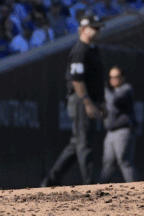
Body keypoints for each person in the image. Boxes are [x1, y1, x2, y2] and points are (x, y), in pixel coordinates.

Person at [42, 14, 105, 187]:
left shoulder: (93, 50)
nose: (98, 31)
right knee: (84, 143)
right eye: (95, 28)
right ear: (83, 30)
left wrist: (101, 102)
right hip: (80, 100)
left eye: (99, 28)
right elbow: (77, 80)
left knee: (75, 145)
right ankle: (90, 183)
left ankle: (51, 180)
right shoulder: (80, 51)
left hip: (89, 99)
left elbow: (97, 81)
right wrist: (87, 102)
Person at [100, 66, 137, 183]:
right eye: (111, 77)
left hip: (123, 131)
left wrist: (104, 88)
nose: (113, 80)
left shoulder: (127, 89)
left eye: (116, 77)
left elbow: (113, 100)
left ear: (123, 78)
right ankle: (99, 192)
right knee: (107, 163)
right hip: (110, 132)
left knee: (124, 162)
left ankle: (138, 190)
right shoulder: (110, 91)